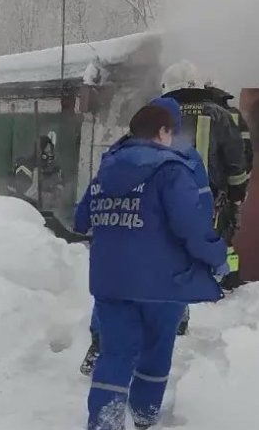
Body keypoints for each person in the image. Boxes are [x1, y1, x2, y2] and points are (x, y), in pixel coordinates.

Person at [73, 103, 228, 430]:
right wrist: (217, 257)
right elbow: (191, 226)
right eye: (171, 132)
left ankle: (104, 424)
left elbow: (81, 219)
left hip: (110, 282)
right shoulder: (172, 171)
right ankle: (144, 413)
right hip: (162, 282)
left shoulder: (106, 171)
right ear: (162, 132)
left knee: (116, 350)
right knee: (157, 346)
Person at [80, 96, 212, 375]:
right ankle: (145, 392)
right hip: (162, 253)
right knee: (159, 314)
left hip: (114, 252)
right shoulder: (186, 158)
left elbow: (88, 206)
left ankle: (100, 346)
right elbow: (198, 206)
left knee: (114, 303)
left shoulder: (119, 152)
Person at [161, 62, 250, 291]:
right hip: (209, 198)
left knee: (168, 243)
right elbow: (235, 158)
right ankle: (214, 285)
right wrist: (237, 193)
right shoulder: (220, 114)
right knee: (209, 242)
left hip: (164, 195)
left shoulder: (158, 114)